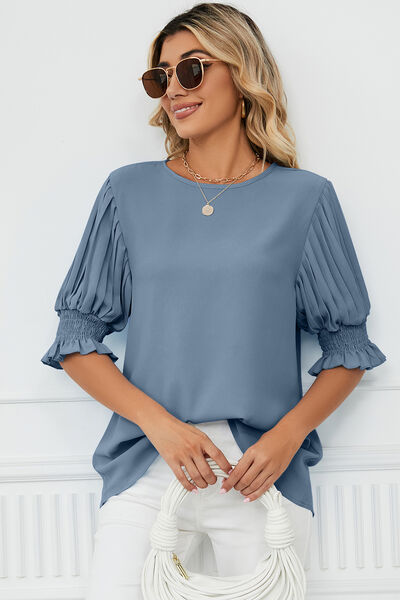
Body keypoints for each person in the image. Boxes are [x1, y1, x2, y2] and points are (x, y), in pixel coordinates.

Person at [41, 3, 387, 598]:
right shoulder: (127, 191)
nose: (174, 88)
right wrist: (161, 427)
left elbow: (348, 349)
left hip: (257, 475)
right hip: (149, 461)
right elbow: (76, 339)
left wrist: (284, 439)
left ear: (242, 71)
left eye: (192, 68)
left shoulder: (304, 199)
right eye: (161, 76)